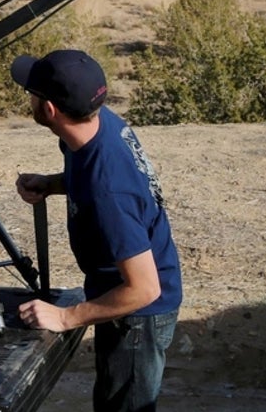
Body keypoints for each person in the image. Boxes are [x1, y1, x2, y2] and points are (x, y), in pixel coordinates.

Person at [12, 49, 182, 412]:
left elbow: (144, 288)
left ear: (50, 110)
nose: (29, 99)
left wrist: (65, 317)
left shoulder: (110, 191)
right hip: (118, 296)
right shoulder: (96, 124)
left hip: (137, 313)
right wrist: (52, 183)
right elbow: (89, 174)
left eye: (32, 94)